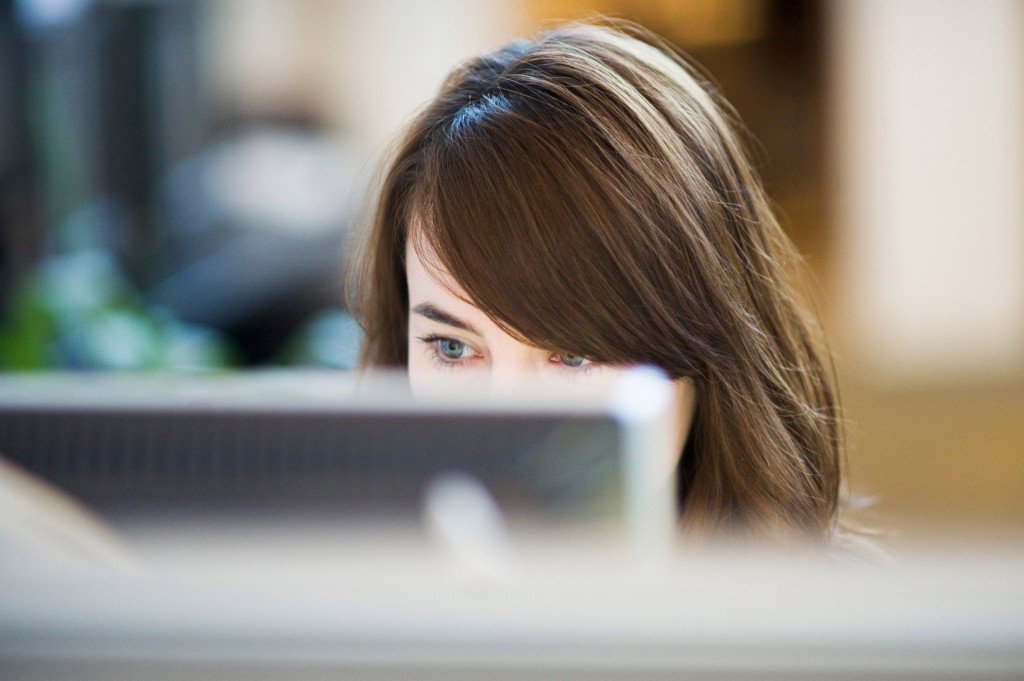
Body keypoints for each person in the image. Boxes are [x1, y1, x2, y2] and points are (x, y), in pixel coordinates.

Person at [347, 21, 848, 546]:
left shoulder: (817, 622)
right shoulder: (346, 606)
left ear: (708, 354)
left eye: (573, 356)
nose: (505, 416)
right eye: (452, 349)